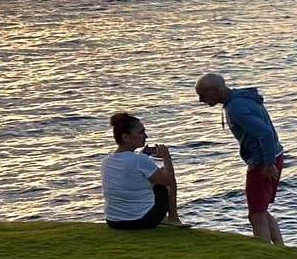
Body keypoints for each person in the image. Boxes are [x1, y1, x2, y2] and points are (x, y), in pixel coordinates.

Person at [196, 72, 286, 244]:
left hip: (262, 162)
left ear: (216, 91)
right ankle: (281, 249)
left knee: (256, 215)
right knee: (261, 211)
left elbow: (265, 134)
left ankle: (265, 257)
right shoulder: (243, 99)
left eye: (202, 95)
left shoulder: (235, 108)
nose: (201, 100)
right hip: (274, 155)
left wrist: (268, 164)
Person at [102, 112, 182, 231]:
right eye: (141, 133)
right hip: (141, 221)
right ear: (125, 137)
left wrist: (144, 155)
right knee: (165, 180)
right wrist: (166, 157)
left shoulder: (107, 160)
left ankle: (163, 217)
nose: (146, 136)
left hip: (113, 221)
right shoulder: (139, 160)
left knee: (154, 176)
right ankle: (173, 218)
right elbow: (169, 180)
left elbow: (131, 175)